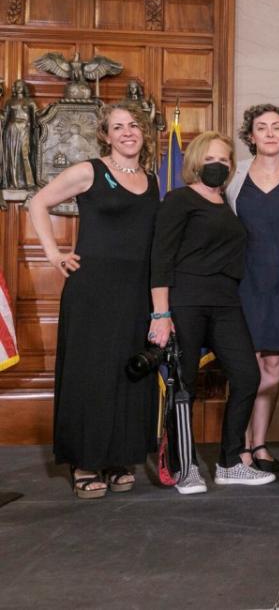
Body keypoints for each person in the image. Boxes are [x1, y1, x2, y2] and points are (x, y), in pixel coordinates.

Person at [28, 100, 159, 498]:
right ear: (105, 134)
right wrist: (53, 254)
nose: (127, 132)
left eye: (133, 125)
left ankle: (119, 456)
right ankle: (85, 462)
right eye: (118, 127)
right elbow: (37, 202)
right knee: (92, 374)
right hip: (93, 290)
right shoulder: (90, 170)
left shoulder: (152, 180)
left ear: (143, 132)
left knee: (127, 372)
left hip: (137, 291)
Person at [150, 131, 275, 494]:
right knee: (184, 385)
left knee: (248, 376)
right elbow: (161, 257)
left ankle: (231, 461)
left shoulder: (226, 203)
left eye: (224, 161)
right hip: (187, 301)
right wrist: (161, 314)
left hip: (226, 302)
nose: (218, 166)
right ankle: (183, 466)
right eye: (211, 160)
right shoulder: (179, 199)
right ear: (195, 163)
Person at [226, 104, 279, 474]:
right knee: (246, 368)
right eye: (262, 127)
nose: (270, 133)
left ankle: (259, 444)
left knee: (274, 368)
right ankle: (237, 445)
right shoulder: (231, 178)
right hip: (242, 284)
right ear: (250, 135)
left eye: (277, 127)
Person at [2, 79, 38, 189]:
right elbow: (5, 117)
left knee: (25, 153)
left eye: (21, 85)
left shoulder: (30, 101)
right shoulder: (9, 102)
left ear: (24, 87)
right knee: (12, 156)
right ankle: (13, 182)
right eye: (17, 86)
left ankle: (29, 182)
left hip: (25, 129)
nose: (19, 88)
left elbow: (37, 116)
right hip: (11, 130)